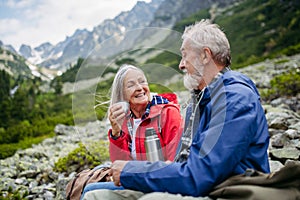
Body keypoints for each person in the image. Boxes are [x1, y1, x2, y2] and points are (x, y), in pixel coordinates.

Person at [82, 19, 270, 200]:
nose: (180, 64)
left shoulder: (235, 100)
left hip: (229, 190)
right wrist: (118, 138)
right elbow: (182, 165)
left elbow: (198, 175)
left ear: (205, 56)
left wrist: (131, 172)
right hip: (195, 183)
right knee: (94, 194)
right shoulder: (199, 100)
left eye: (185, 55)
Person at [80, 64, 183, 198]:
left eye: (142, 81)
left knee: (90, 192)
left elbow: (176, 162)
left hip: (158, 183)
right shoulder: (127, 119)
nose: (140, 88)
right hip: (136, 181)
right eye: (131, 85)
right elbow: (120, 165)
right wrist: (116, 132)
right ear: (122, 94)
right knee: (88, 188)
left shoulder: (168, 113)